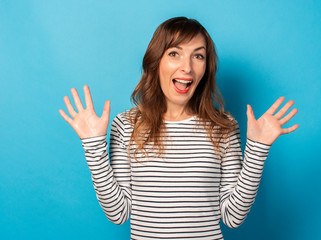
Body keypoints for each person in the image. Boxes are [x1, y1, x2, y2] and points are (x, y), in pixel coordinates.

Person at [59, 17, 298, 240]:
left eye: (198, 56)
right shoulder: (126, 125)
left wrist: (258, 149)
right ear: (156, 62)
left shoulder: (223, 126)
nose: (187, 67)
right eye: (175, 53)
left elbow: (233, 217)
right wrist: (93, 148)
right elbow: (118, 213)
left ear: (206, 68)